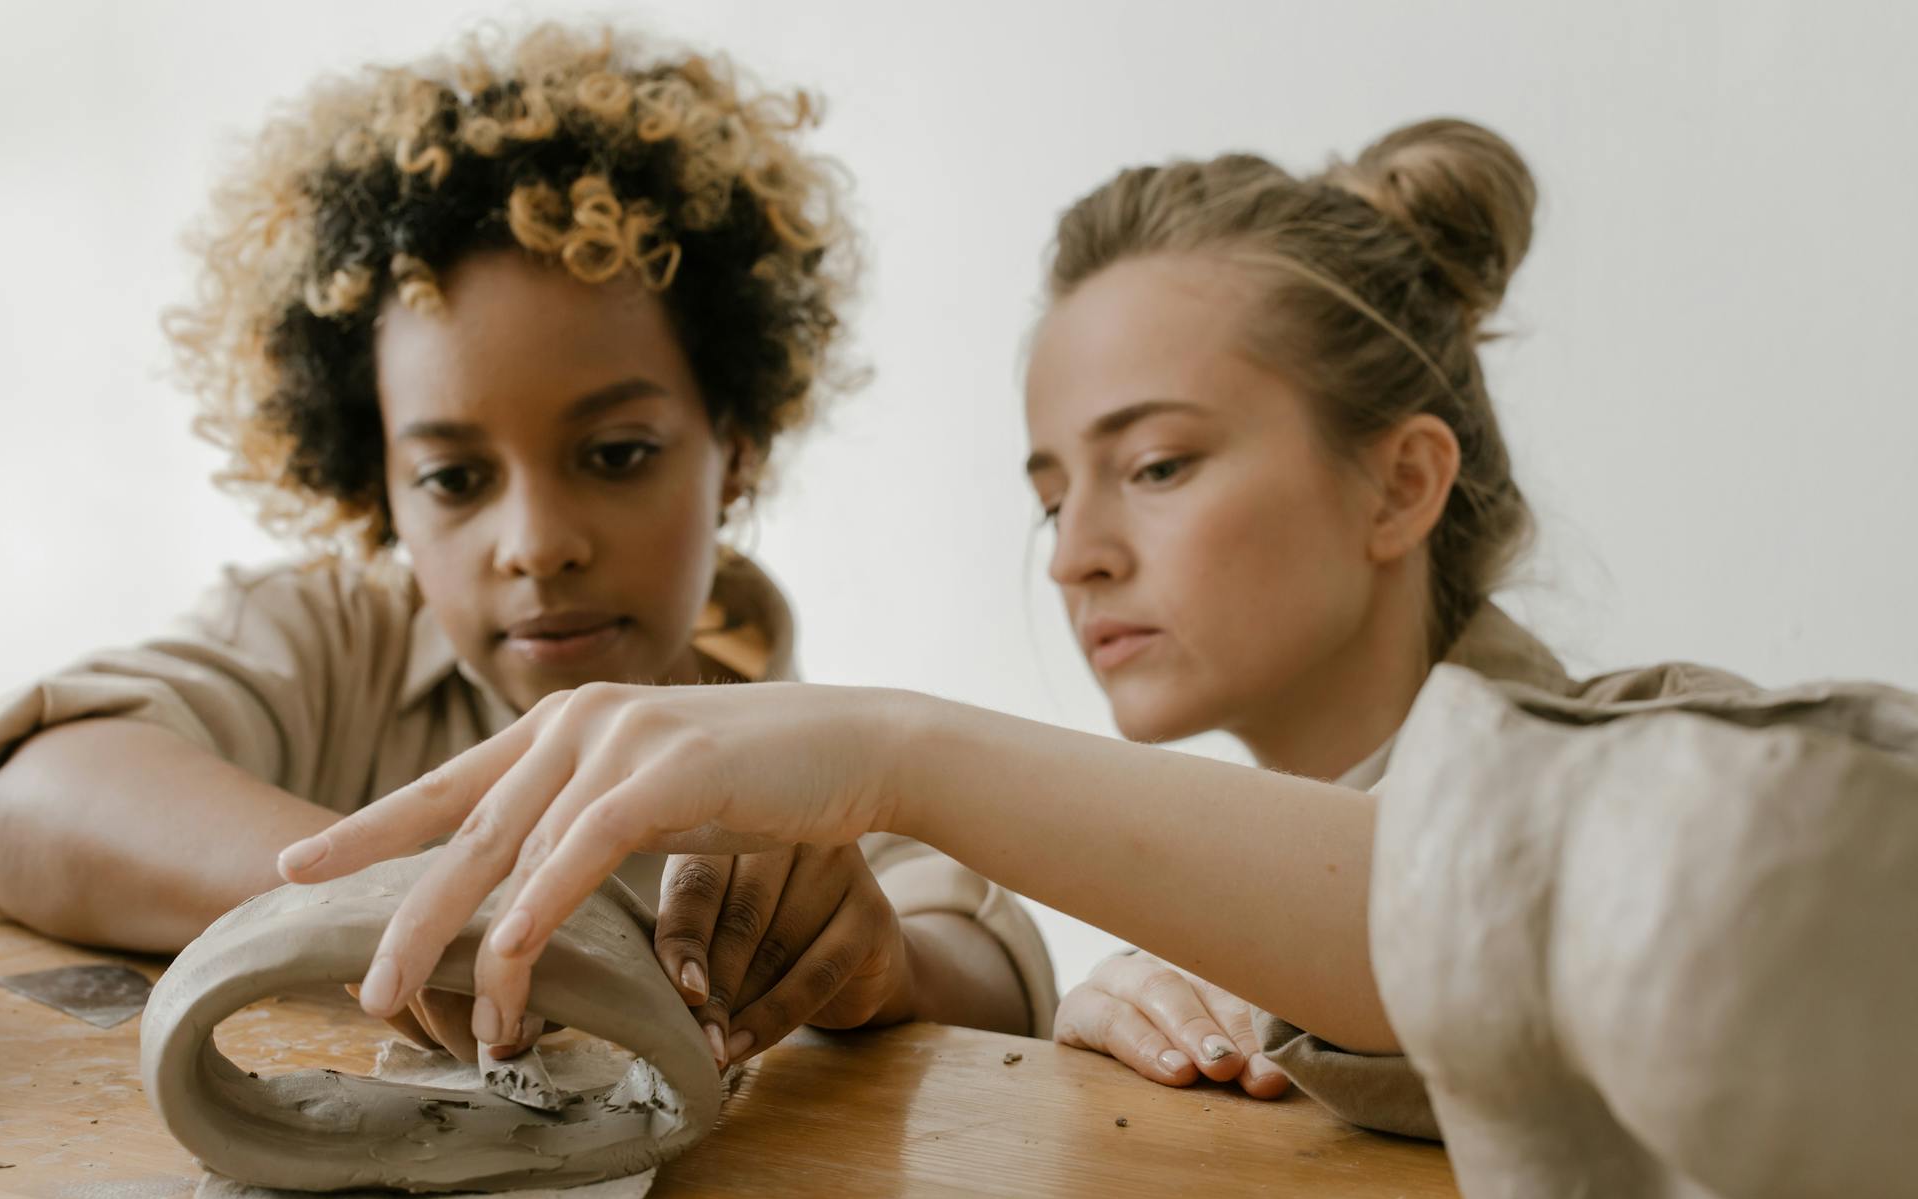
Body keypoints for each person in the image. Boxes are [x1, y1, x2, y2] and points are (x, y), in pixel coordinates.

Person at [287, 117, 1752, 1137]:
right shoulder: (1236, 926)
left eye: (1159, 464)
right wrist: (1149, 1022)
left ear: (1402, 480)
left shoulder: (1692, 765)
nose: (1076, 555)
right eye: (1052, 493)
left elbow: (1495, 923)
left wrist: (892, 749)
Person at [0, 21, 1056, 1070]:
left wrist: (882, 966)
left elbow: (994, 976)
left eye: (614, 454)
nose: (536, 544)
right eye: (454, 479)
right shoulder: (330, 642)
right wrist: (416, 895)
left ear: (737, 445)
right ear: (377, 489)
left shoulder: (814, 758)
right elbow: (23, 798)